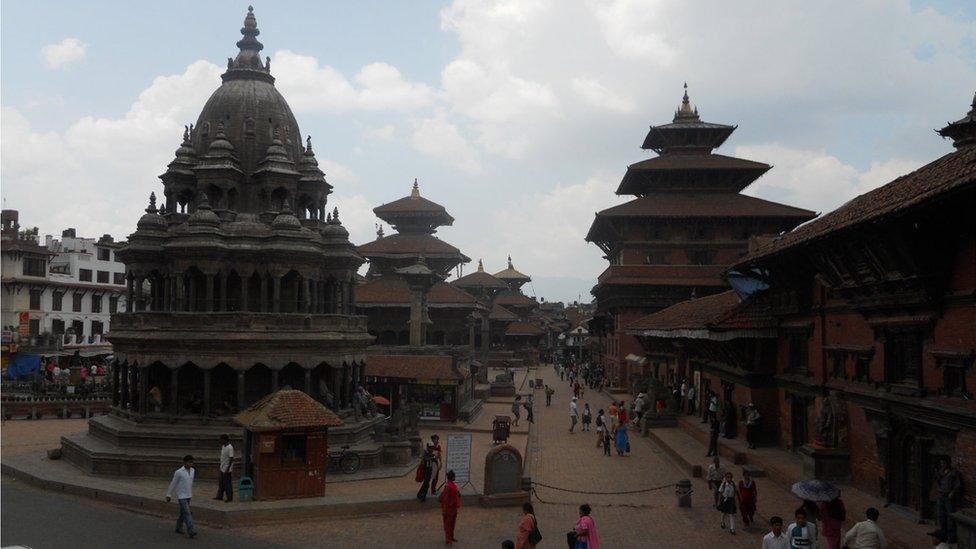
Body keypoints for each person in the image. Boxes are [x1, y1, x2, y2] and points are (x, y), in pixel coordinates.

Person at [165, 454, 197, 539]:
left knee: (183, 513)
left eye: (192, 462)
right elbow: (173, 483)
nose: (191, 464)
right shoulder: (179, 472)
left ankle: (178, 527)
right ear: (185, 462)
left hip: (189, 495)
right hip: (181, 496)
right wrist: (168, 494)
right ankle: (191, 530)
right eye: (189, 462)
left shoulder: (193, 470)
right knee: (187, 513)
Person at [934, 456, 961, 543]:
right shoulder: (940, 472)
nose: (943, 465)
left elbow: (958, 485)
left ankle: (952, 537)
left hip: (949, 497)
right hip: (941, 496)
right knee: (941, 516)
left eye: (944, 463)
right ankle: (943, 535)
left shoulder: (954, 473)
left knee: (950, 518)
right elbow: (938, 482)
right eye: (941, 463)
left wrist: (952, 493)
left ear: (948, 463)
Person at [439, 470, 461, 546]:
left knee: (452, 524)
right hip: (449, 509)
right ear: (452, 477)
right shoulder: (449, 487)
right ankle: (448, 540)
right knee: (448, 525)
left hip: (453, 508)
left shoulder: (450, 485)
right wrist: (444, 510)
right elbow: (445, 499)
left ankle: (451, 537)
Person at [214, 434, 234, 502]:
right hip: (222, 467)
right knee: (221, 483)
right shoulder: (223, 446)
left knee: (227, 484)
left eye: (221, 439)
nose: (220, 441)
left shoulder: (230, 447)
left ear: (224, 440)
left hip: (227, 469)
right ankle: (219, 496)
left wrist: (227, 469)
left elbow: (231, 459)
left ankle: (229, 498)